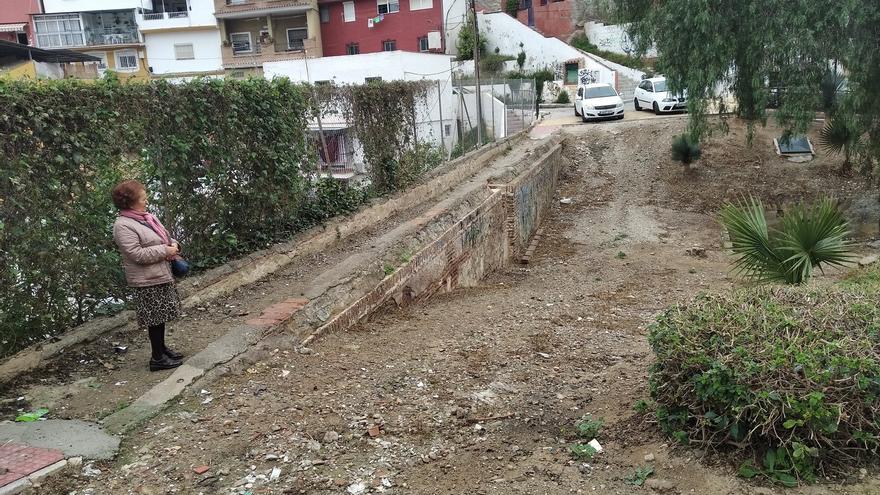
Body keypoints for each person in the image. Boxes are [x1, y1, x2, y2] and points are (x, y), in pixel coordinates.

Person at [111, 180, 184, 371]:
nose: (147, 200)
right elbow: (136, 254)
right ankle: (157, 358)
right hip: (146, 280)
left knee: (162, 316)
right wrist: (165, 250)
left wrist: (174, 245)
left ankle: (162, 349)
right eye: (143, 198)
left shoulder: (146, 217)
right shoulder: (123, 225)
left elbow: (164, 237)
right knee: (155, 319)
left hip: (160, 273)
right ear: (131, 202)